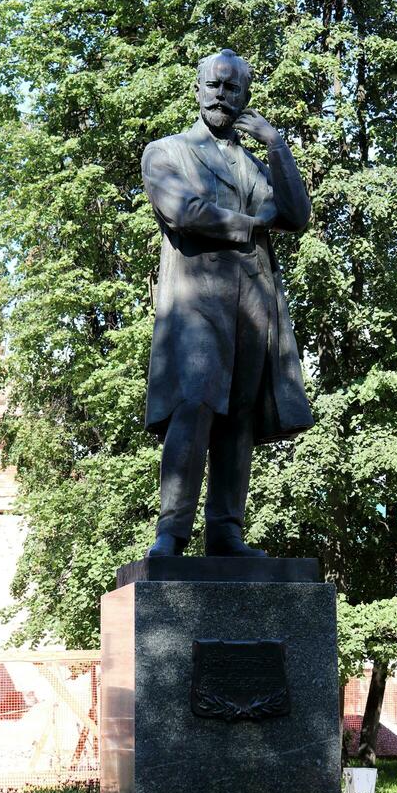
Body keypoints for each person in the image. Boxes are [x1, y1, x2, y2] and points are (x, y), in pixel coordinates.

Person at [142, 48, 314, 558]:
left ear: (245, 96)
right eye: (214, 85)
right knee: (194, 404)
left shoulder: (254, 163)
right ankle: (170, 533)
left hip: (252, 301)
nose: (222, 95)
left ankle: (225, 532)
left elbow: (296, 214)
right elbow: (182, 210)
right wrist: (250, 225)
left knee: (238, 415)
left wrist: (277, 145)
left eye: (232, 88)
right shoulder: (166, 151)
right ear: (197, 89)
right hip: (196, 301)